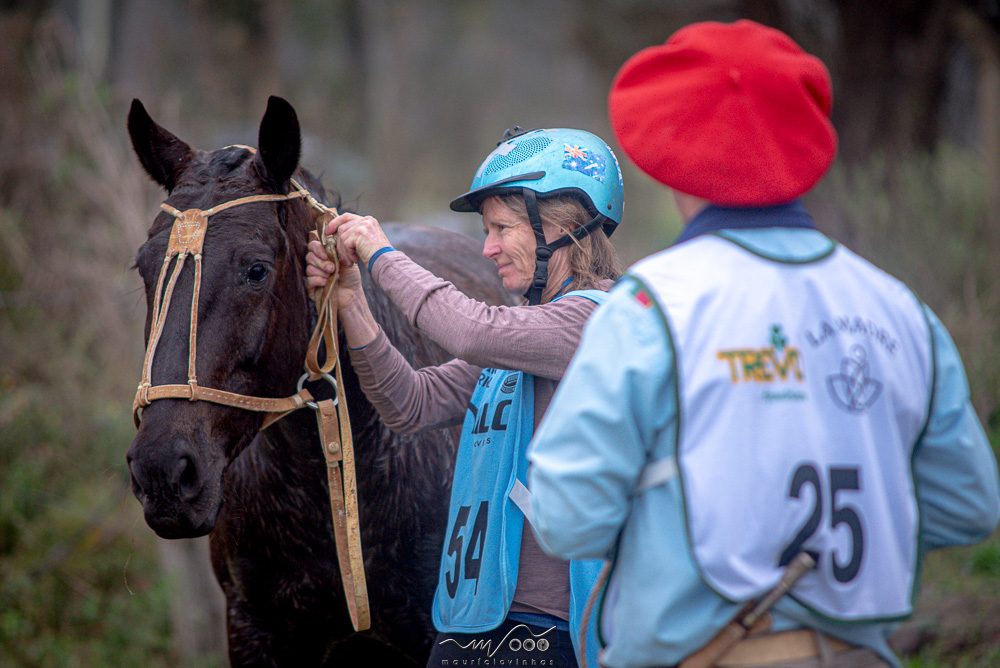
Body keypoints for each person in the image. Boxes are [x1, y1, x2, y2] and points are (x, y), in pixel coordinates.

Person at [526, 20, 1000, 668]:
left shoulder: (648, 306)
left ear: (672, 158)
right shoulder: (901, 311)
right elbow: (969, 506)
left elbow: (565, 518)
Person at [305, 127, 625, 667]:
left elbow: (470, 331)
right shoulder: (527, 334)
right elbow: (410, 403)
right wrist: (352, 304)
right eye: (486, 230)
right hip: (473, 621)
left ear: (565, 227)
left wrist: (380, 254)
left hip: (555, 631)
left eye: (502, 227)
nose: (487, 248)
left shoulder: (594, 320)